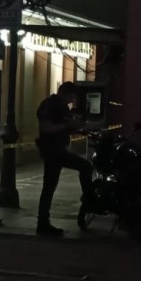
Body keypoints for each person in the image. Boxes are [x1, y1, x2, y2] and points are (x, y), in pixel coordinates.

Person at [35, 81, 93, 236]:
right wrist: (67, 126)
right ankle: (88, 198)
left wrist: (77, 128)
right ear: (64, 93)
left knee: (49, 187)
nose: (72, 100)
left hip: (58, 150)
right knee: (84, 167)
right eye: (71, 96)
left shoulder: (61, 106)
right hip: (52, 151)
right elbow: (46, 127)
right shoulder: (50, 105)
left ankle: (43, 223)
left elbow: (65, 125)